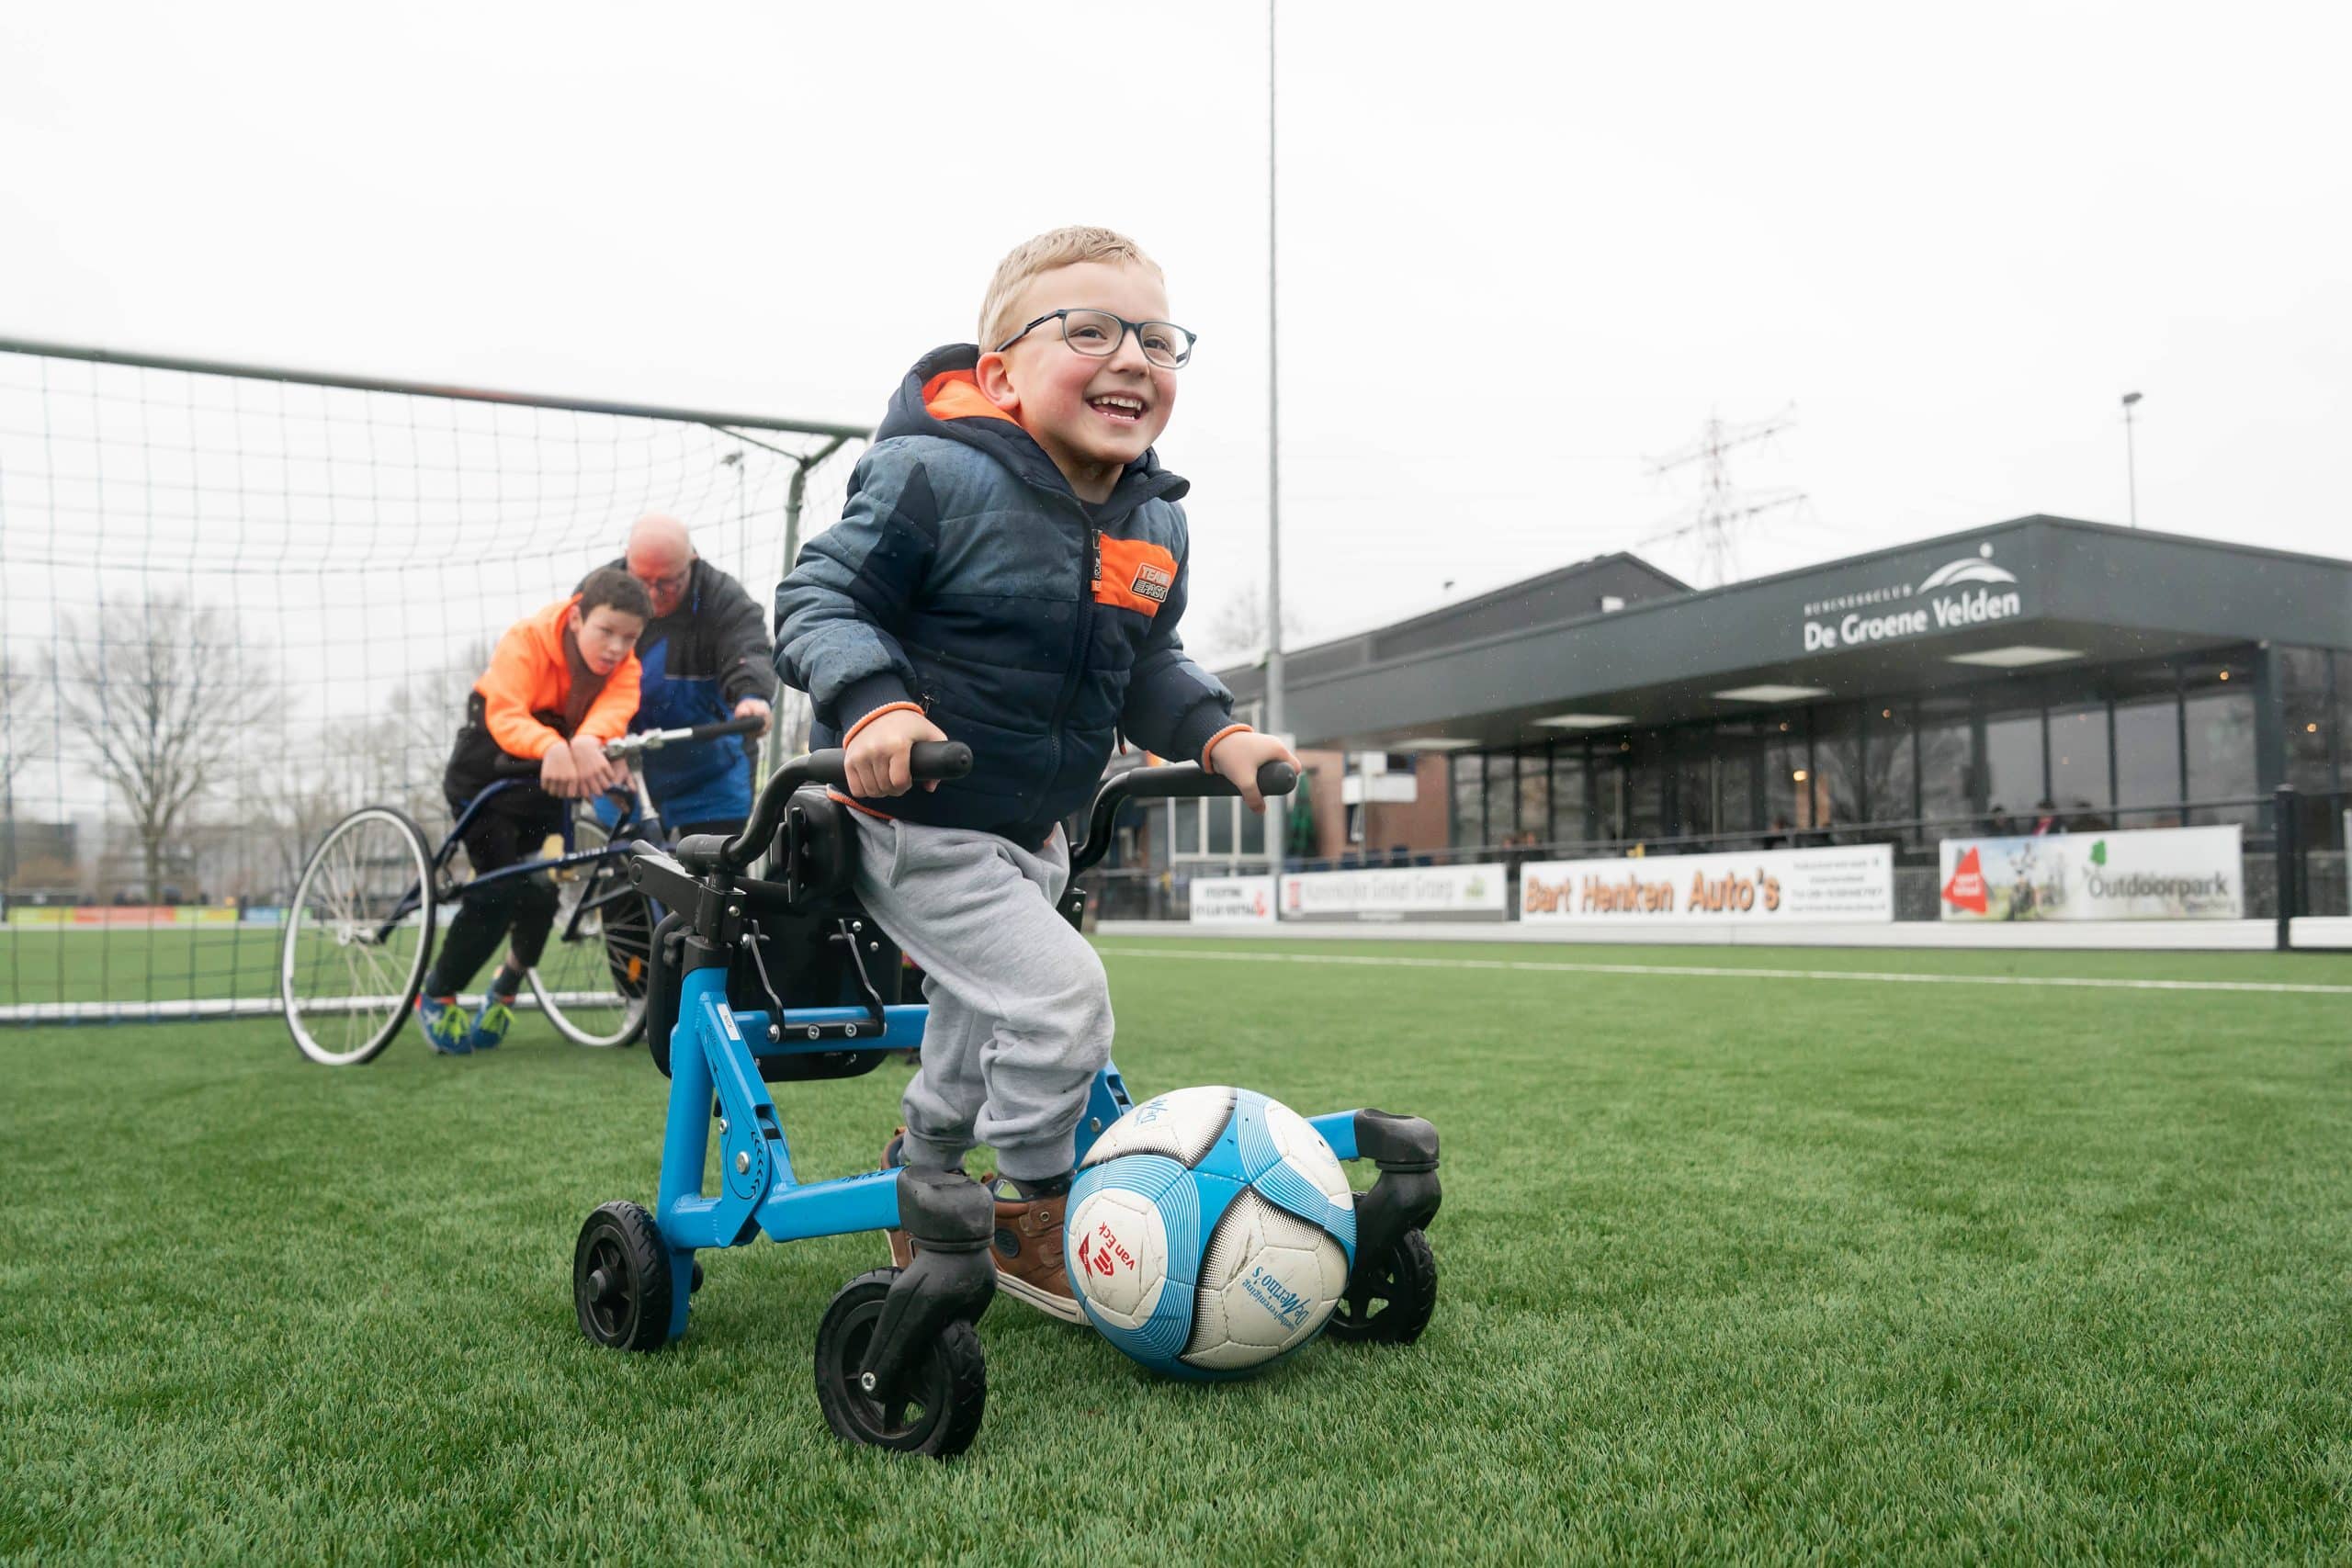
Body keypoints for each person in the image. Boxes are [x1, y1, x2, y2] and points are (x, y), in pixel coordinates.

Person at [775, 226, 1296, 1321]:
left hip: (1036, 826)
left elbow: (1145, 662)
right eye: (1091, 332)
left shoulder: (1156, 521)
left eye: (1156, 340)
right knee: (1060, 999)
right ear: (1003, 375)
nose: (1132, 359)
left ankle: (924, 1174)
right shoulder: (931, 474)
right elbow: (822, 600)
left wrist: (1217, 734)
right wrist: (879, 704)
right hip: (914, 815)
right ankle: (1033, 1202)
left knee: (987, 1004)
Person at [414, 569, 649, 1055]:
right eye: (606, 631)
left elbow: (613, 714)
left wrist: (588, 742)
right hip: (487, 775)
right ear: (578, 617)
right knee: (497, 889)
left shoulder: (626, 669)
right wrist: (553, 745)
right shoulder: (527, 639)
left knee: (544, 890)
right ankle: (437, 992)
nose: (616, 648)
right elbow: (505, 712)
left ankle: (507, 983)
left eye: (629, 638)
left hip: (545, 785)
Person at [590, 514, 775, 838]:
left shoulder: (722, 598)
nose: (652, 594)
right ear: (627, 560)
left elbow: (747, 645)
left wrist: (752, 696)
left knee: (713, 866)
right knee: (622, 864)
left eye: (667, 583)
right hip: (624, 773)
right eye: (641, 580)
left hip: (711, 778)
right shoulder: (599, 596)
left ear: (692, 561)